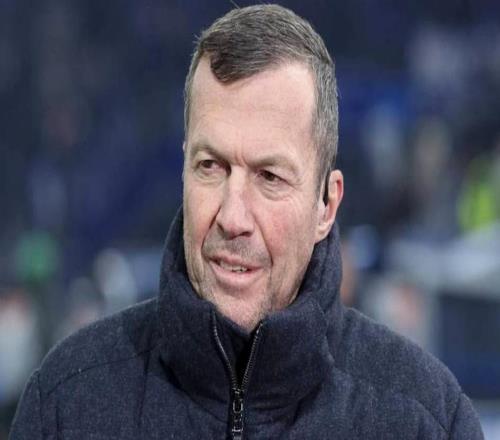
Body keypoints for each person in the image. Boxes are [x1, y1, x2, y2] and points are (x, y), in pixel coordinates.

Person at [10, 5, 483, 439]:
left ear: (326, 205)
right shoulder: (65, 405)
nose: (233, 217)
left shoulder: (425, 420)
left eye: (269, 177)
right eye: (210, 166)